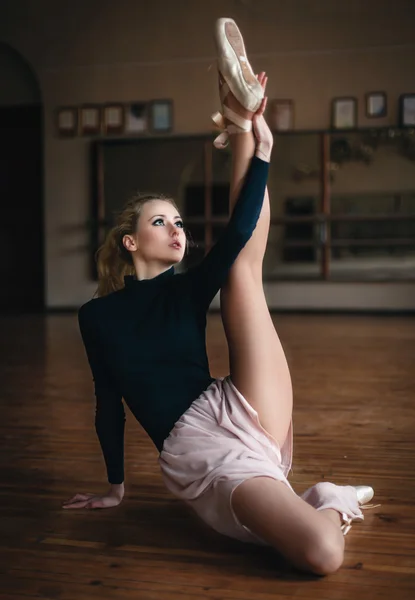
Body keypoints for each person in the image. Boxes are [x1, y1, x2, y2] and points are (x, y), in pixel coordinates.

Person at [63, 18, 376, 576]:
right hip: (198, 449)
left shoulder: (185, 291)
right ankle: (330, 498)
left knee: (241, 271)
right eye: (163, 221)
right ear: (132, 240)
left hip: (238, 405)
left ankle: (240, 120)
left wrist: (260, 152)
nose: (178, 228)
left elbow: (237, 234)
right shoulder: (96, 318)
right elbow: (107, 404)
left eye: (180, 220)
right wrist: (115, 488)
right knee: (322, 555)